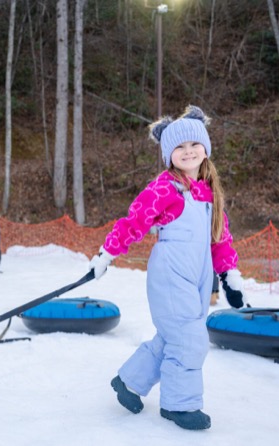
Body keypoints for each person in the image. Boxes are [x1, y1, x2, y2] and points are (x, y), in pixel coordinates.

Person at [88, 105, 245, 431]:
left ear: (205, 148)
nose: (188, 151)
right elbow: (134, 222)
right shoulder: (165, 188)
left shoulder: (210, 194)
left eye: (193, 145)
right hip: (171, 273)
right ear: (168, 153)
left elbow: (221, 239)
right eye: (179, 147)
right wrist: (107, 254)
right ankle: (180, 405)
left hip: (198, 277)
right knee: (190, 339)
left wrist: (229, 275)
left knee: (175, 335)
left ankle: (129, 381)